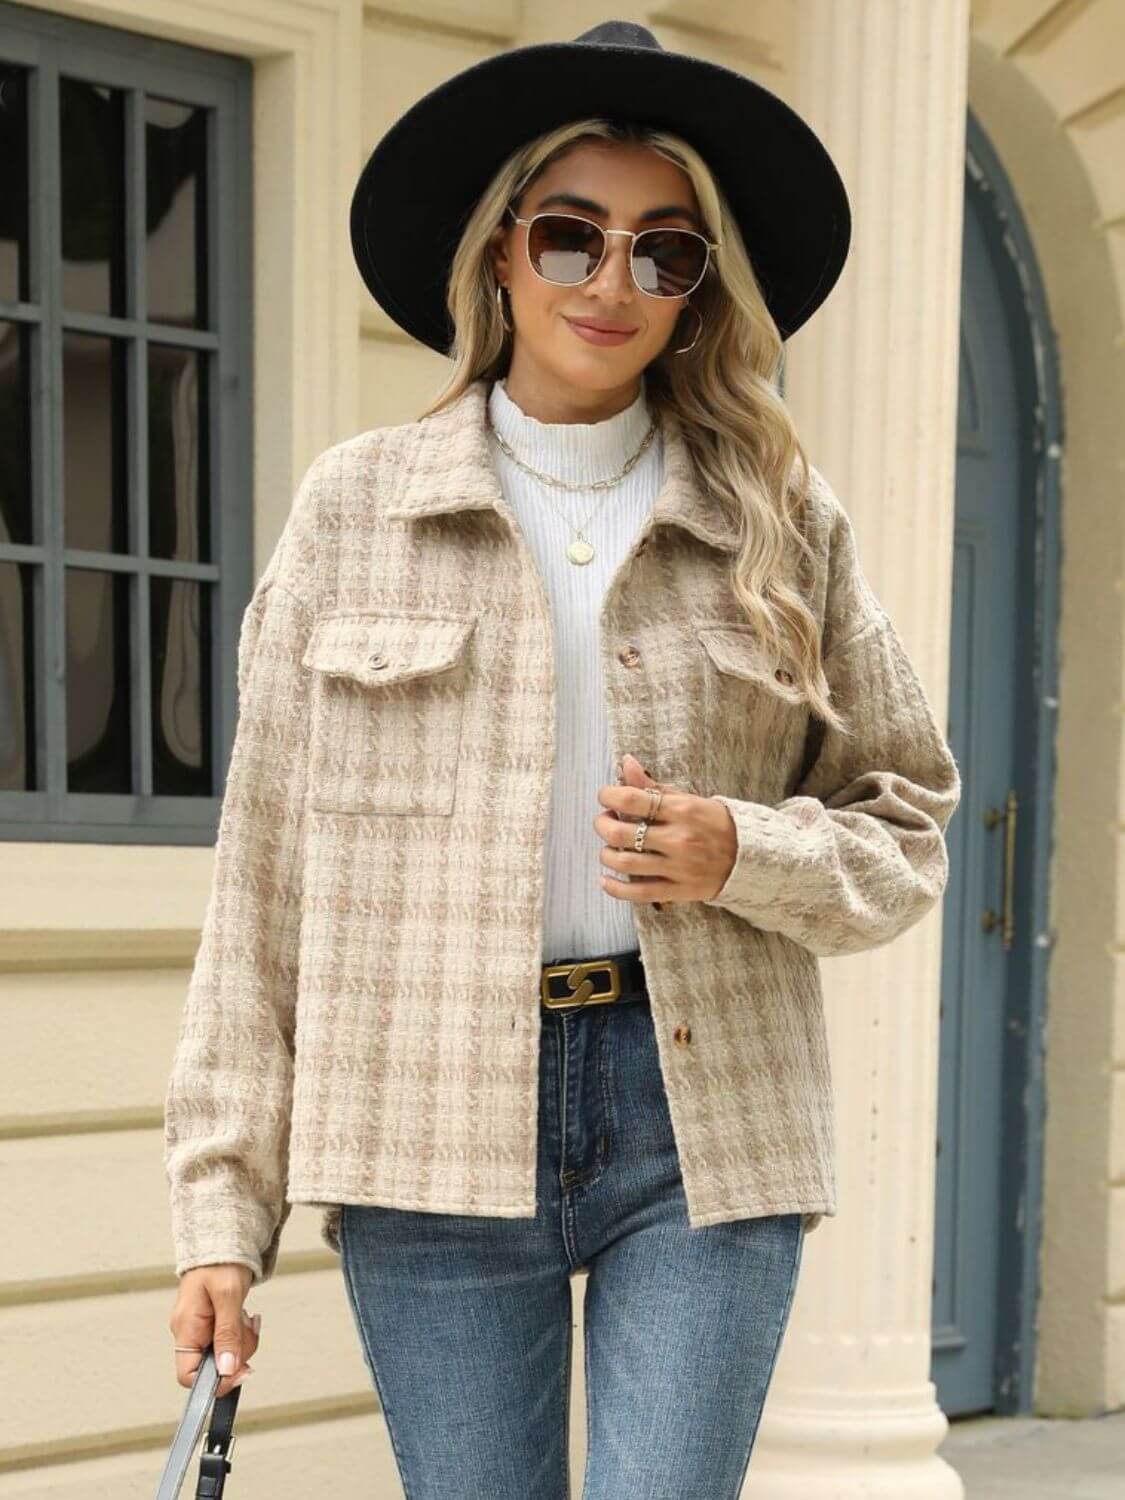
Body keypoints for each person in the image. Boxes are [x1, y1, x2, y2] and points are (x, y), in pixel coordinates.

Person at [164, 20, 961, 1499]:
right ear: (499, 254)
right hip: (426, 1109)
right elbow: (260, 889)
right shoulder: (357, 510)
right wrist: (223, 1214)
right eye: (572, 235)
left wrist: (744, 849)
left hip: (700, 1111)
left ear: (697, 293)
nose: (611, 282)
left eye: (664, 253)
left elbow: (906, 821)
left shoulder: (782, 520)